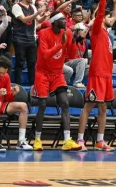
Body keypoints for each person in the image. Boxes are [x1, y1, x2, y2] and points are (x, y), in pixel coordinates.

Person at [32, 11, 81, 151]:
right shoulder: (43, 33)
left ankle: (67, 140)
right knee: (42, 104)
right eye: (62, 20)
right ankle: (37, 139)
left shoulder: (68, 34)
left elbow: (70, 54)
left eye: (66, 19)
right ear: (54, 22)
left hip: (57, 73)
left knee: (65, 103)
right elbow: (46, 55)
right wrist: (61, 44)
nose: (66, 21)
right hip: (43, 73)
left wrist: (75, 41)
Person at [77, 0, 115, 152]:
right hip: (97, 73)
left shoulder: (107, 33)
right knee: (88, 106)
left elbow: (112, 17)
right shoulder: (97, 30)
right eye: (106, 16)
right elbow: (100, 15)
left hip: (107, 74)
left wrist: (115, 4)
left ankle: (100, 140)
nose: (108, 17)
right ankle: (80, 140)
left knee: (103, 107)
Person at [0, 56, 32, 150]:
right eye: (0, 72)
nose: (2, 75)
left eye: (4, 73)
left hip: (1, 104)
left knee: (23, 106)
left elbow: (8, 98)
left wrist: (13, 94)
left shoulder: (6, 76)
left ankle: (21, 141)